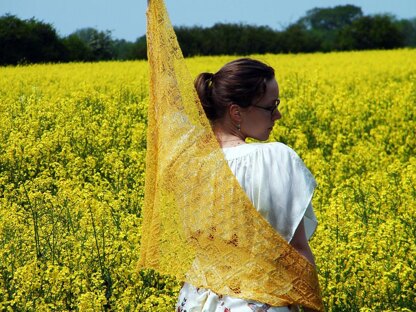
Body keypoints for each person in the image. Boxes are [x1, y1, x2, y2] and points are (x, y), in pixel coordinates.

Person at [175, 58, 319, 312]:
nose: (278, 114)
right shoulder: (273, 159)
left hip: (195, 302)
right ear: (236, 112)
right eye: (270, 106)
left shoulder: (190, 164)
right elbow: (297, 252)